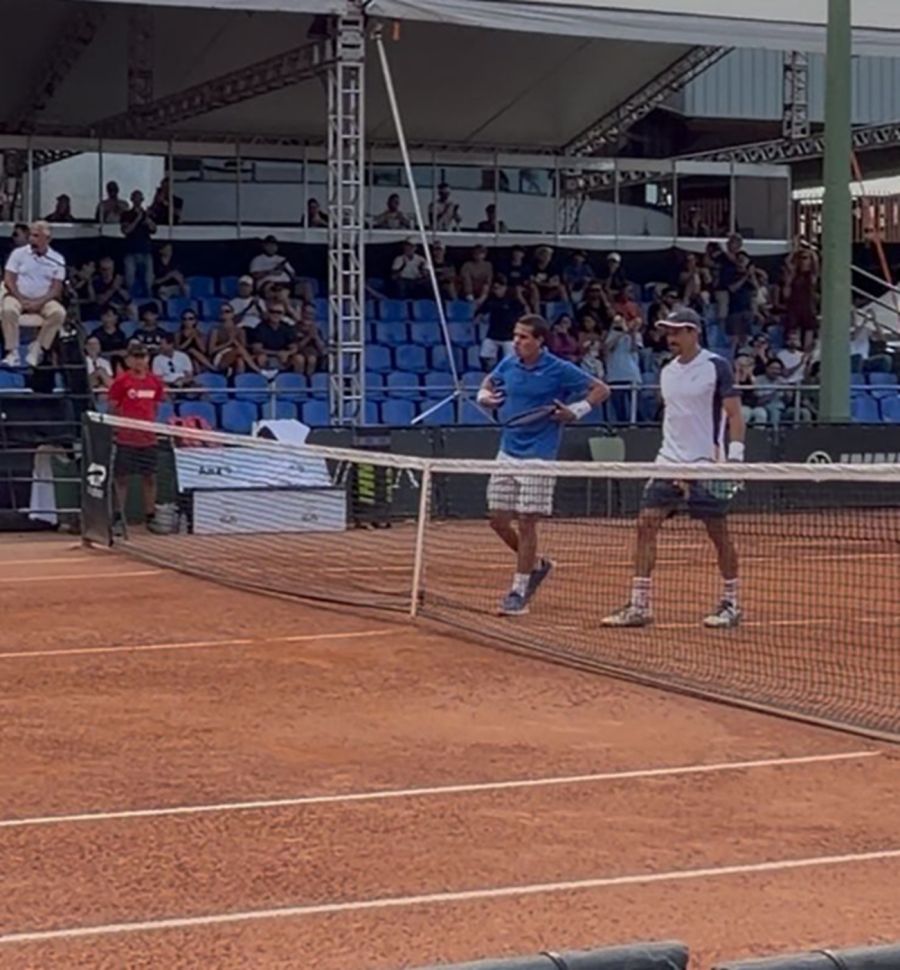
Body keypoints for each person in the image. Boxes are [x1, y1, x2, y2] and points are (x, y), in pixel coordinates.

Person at [602, 308, 746, 630]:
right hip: (668, 460)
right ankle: (639, 605)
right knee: (645, 524)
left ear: (693, 332)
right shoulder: (666, 371)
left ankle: (731, 602)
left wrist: (734, 459)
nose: (671, 338)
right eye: (668, 332)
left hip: (707, 464)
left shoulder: (716, 366)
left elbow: (734, 414)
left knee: (717, 532)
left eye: (677, 332)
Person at [477, 314, 609, 615]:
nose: (517, 341)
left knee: (526, 522)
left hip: (539, 456)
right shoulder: (509, 362)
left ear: (539, 341)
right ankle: (537, 565)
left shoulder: (559, 369)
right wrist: (484, 396)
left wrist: (575, 411)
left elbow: (601, 389)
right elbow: (490, 381)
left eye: (524, 337)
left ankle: (519, 590)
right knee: (497, 519)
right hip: (507, 453)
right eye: (516, 335)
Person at [107, 341, 166, 536]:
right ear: (129, 360)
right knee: (121, 479)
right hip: (126, 438)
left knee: (150, 478)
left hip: (148, 438)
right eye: (136, 357)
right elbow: (113, 406)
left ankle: (150, 517)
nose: (140, 361)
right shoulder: (121, 382)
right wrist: (119, 427)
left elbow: (156, 406)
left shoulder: (155, 382)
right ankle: (117, 518)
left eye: (143, 357)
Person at [1, 220, 66, 368]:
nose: (31, 239)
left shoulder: (57, 260)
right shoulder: (18, 254)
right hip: (18, 295)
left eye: (36, 236)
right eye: (31, 235)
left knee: (59, 313)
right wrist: (20, 298)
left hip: (44, 299)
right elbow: (9, 279)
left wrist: (39, 303)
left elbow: (56, 289)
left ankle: (38, 348)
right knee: (8, 309)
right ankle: (12, 352)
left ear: (47, 239)